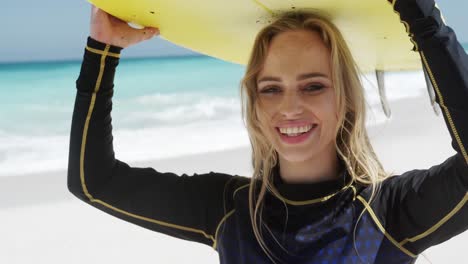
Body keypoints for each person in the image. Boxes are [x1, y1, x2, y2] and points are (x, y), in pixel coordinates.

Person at [68, 1, 468, 263]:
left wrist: (420, 17)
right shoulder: (232, 211)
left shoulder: (387, 213)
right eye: (271, 89)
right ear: (255, 106)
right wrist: (102, 50)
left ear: (345, 99)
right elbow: (93, 181)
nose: (290, 107)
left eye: (313, 86)